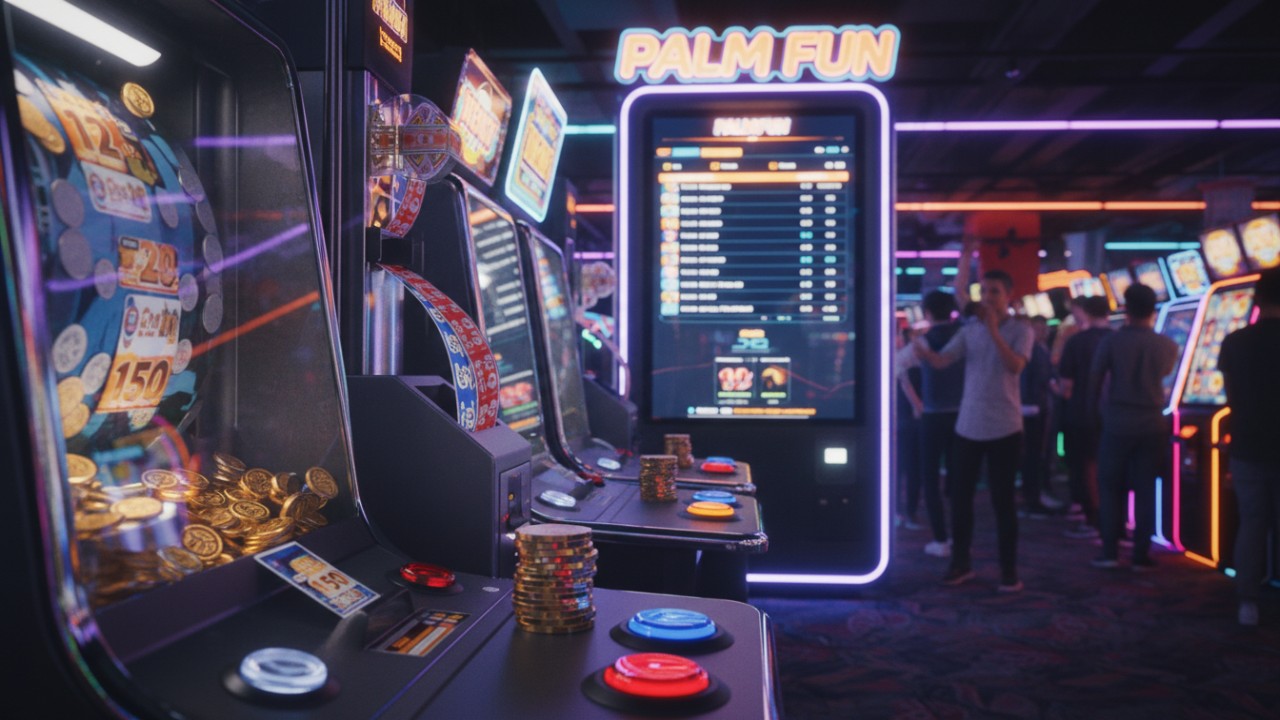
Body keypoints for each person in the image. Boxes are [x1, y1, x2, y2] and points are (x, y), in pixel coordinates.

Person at [914, 270, 1034, 592]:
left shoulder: (1021, 329)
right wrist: (918, 348)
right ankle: (960, 563)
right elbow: (942, 362)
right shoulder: (970, 330)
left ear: (1008, 295)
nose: (988, 298)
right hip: (968, 425)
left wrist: (994, 330)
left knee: (1003, 502)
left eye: (995, 292)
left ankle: (1008, 570)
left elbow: (1015, 366)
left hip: (1006, 426)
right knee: (960, 499)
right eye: (984, 292)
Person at [1087, 284, 1179, 571]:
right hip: (1153, 420)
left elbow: (1095, 379)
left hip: (1117, 420)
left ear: (1125, 308)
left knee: (1111, 487)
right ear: (1154, 310)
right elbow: (1165, 375)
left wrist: (1095, 415)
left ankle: (1110, 552)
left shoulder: (1111, 342)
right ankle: (1141, 554)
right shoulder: (1168, 344)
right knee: (1145, 488)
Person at [1219, 266, 1280, 626]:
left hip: (1246, 442)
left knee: (1252, 522)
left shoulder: (1234, 341)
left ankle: (1248, 602)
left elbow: (1230, 397)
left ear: (1256, 299)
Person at [1056, 295, 1113, 539]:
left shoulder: (1076, 341)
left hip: (1081, 411)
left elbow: (1065, 385)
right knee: (1108, 467)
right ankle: (1113, 522)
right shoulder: (1117, 338)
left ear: (1085, 313)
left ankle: (1093, 520)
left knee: (1085, 466)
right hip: (1114, 414)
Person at [913, 289, 965, 556]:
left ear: (928, 313)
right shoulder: (963, 336)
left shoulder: (923, 341)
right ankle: (959, 537)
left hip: (932, 415)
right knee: (959, 480)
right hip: (961, 415)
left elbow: (900, 368)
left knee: (930, 479)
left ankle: (941, 540)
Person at [1019, 315, 1056, 517]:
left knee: (1037, 454)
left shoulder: (1041, 348)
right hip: (1033, 407)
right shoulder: (1032, 349)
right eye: (1038, 328)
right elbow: (1030, 380)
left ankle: (1036, 495)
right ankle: (1032, 499)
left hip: (1038, 405)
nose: (1043, 331)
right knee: (1033, 455)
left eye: (1045, 328)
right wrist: (1028, 403)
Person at [895, 324, 925, 530]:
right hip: (904, 420)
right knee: (903, 470)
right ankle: (902, 513)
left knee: (909, 469)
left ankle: (906, 513)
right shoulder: (900, 358)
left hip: (905, 419)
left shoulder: (904, 357)